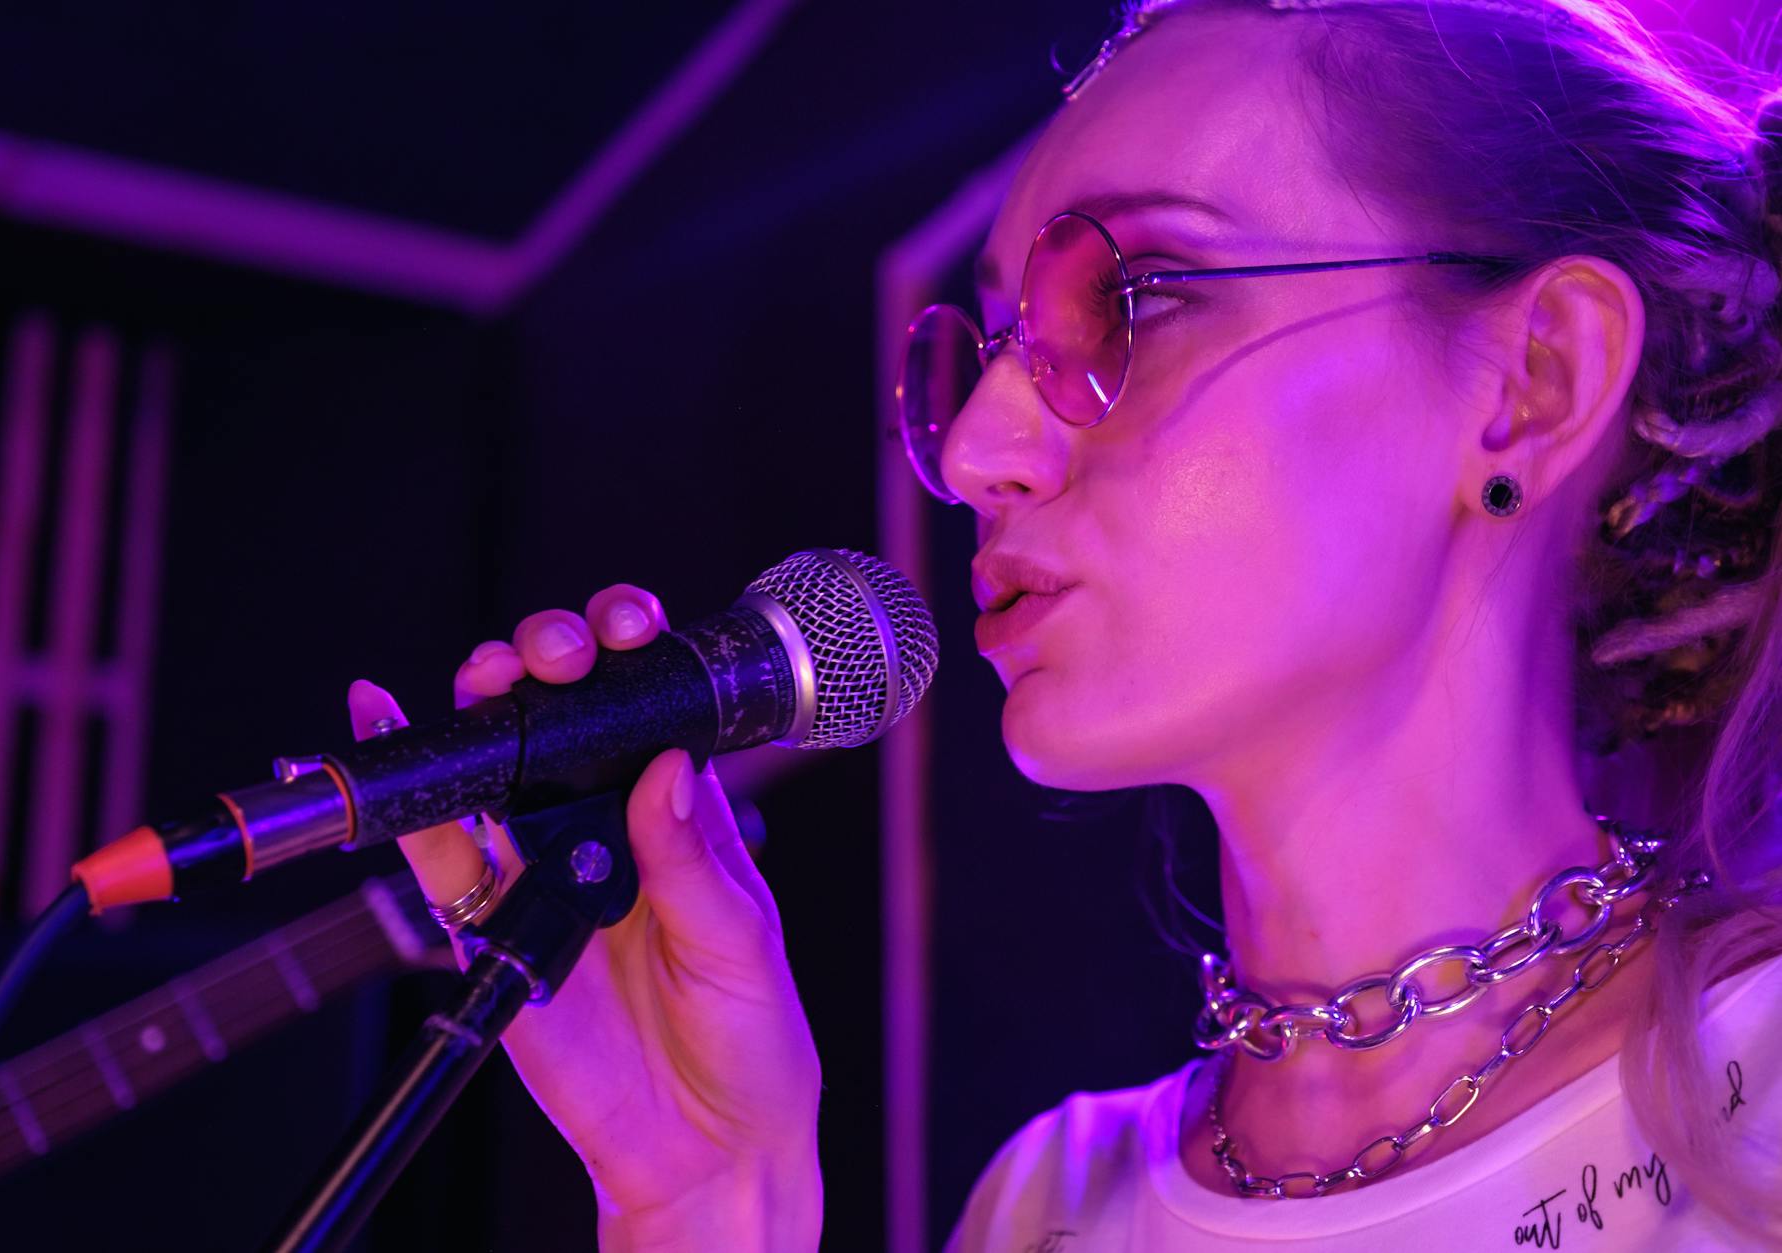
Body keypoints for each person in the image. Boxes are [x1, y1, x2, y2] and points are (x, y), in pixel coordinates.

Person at [348, 0, 1782, 1246]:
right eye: (989, 348)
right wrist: (705, 1202)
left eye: (1137, 299)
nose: (978, 448)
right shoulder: (1047, 1200)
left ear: (1533, 382)